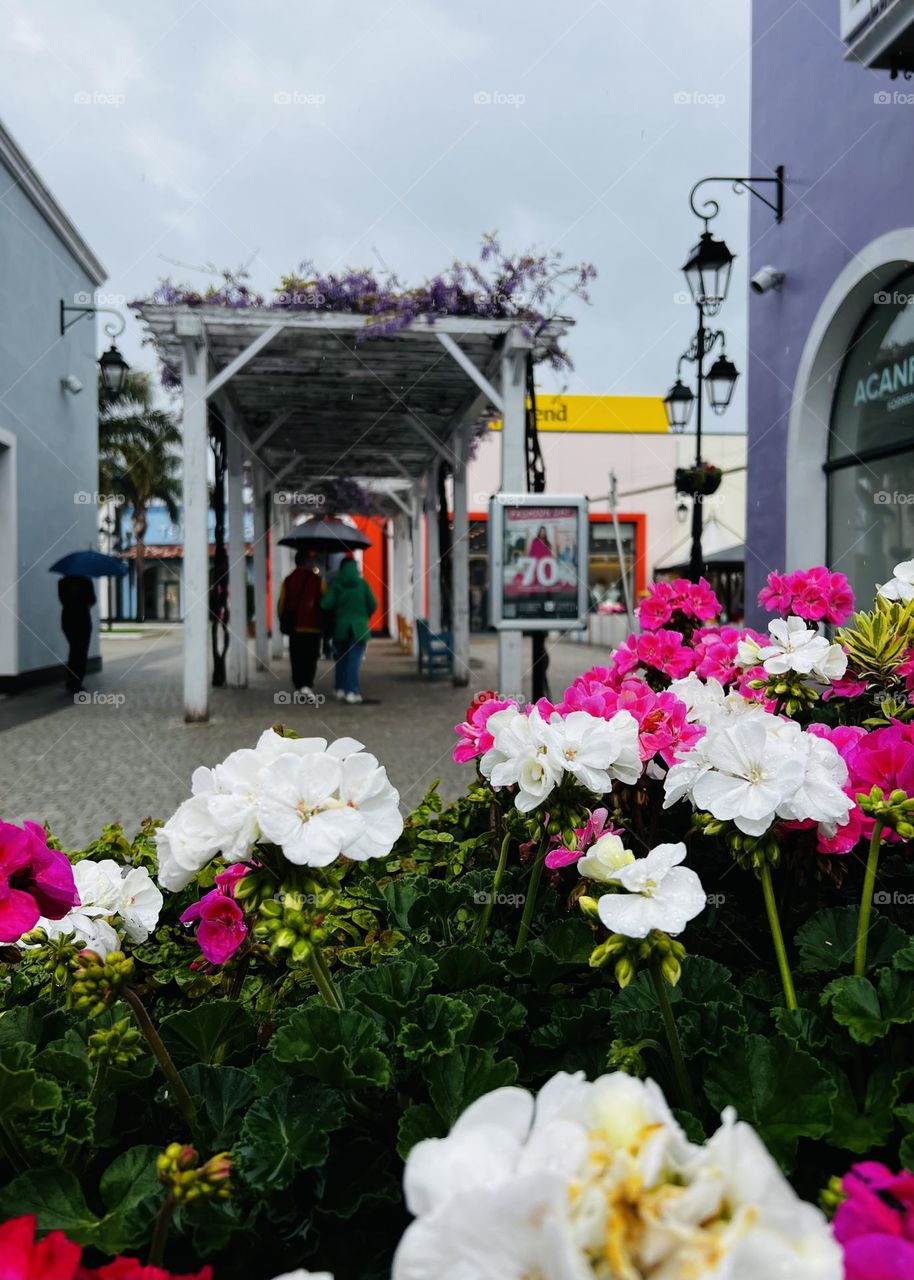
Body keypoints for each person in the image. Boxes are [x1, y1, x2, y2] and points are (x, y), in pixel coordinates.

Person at [321, 556, 377, 705]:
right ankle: (352, 691)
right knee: (354, 660)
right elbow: (373, 604)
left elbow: (326, 604)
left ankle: (340, 688)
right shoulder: (362, 584)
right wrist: (364, 616)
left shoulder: (336, 584)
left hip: (341, 627)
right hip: (359, 628)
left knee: (341, 658)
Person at [277, 550, 324, 696]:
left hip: (295, 627)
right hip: (313, 627)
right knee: (311, 657)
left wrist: (283, 618)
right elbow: (325, 601)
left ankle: (298, 685)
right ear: (307, 562)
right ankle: (307, 684)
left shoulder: (288, 580)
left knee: (296, 657)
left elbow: (281, 604)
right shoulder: (318, 580)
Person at [58, 574, 95, 694]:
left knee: (74, 650)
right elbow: (92, 600)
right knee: (81, 652)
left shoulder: (63, 582)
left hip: (68, 620)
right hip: (82, 619)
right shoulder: (86, 582)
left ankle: (72, 680)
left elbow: (63, 600)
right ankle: (76, 681)